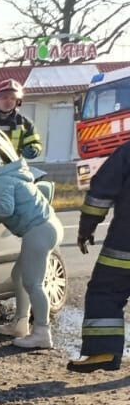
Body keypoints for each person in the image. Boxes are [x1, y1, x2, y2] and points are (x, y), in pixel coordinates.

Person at [0, 155, 64, 350]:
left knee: (33, 283)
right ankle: (20, 324)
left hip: (37, 230)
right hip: (47, 226)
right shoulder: (6, 177)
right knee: (19, 275)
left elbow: (4, 209)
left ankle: (42, 333)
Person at [69, 141, 130, 373]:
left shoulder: (127, 152)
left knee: (105, 292)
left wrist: (87, 227)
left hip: (125, 243)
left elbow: (102, 190)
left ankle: (104, 351)